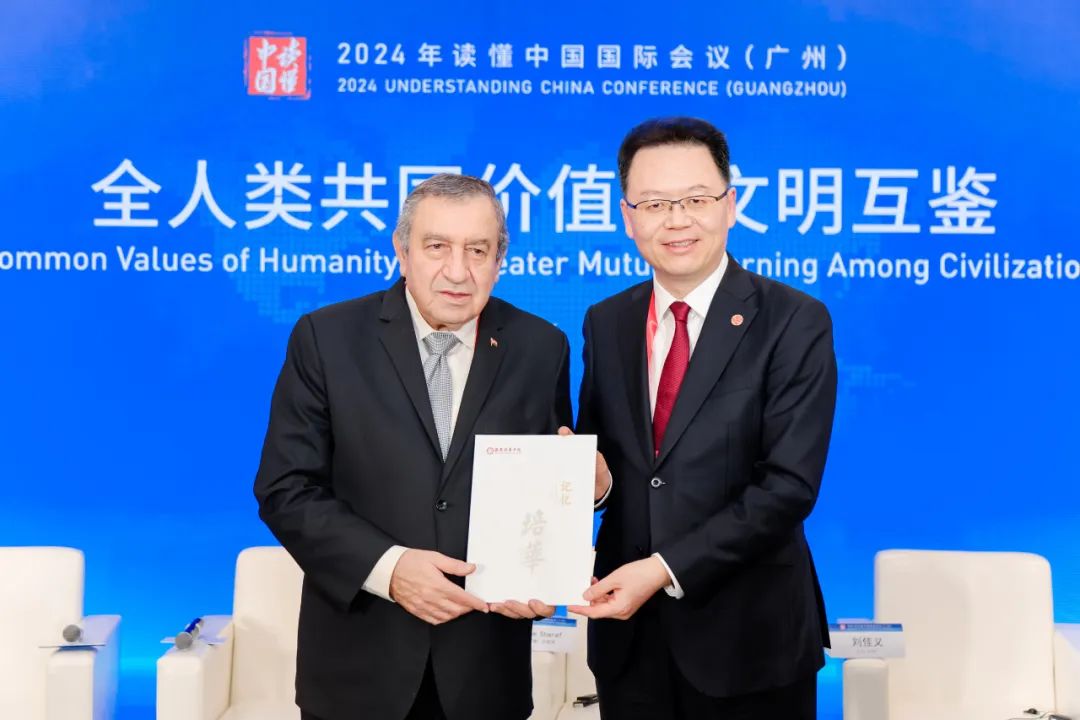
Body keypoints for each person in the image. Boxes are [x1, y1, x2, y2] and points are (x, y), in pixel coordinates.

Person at [255, 174, 575, 720]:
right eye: (437, 247)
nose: (458, 271)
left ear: (500, 260)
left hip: (486, 669)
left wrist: (555, 549)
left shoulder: (541, 346)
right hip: (360, 668)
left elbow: (547, 483)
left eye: (478, 250)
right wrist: (390, 568)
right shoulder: (327, 338)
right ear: (402, 252)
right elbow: (286, 489)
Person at [569, 117, 837, 719]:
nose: (677, 220)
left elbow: (788, 487)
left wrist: (663, 570)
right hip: (629, 640)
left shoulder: (793, 320)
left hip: (751, 641)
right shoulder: (606, 321)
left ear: (730, 205)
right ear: (627, 217)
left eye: (695, 199)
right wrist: (593, 484)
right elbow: (608, 461)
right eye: (654, 204)